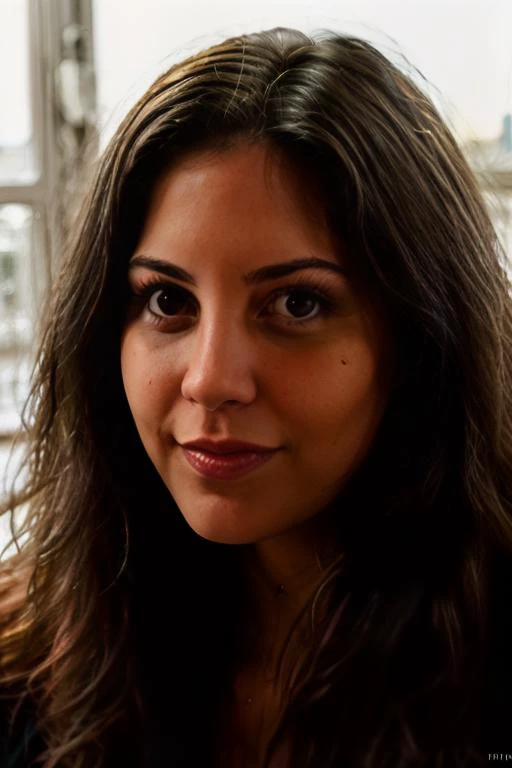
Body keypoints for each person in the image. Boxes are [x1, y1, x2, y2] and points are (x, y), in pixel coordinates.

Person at [0, 25, 511, 768]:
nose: (209, 379)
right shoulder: (31, 665)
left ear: (421, 337)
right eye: (168, 299)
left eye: (297, 305)